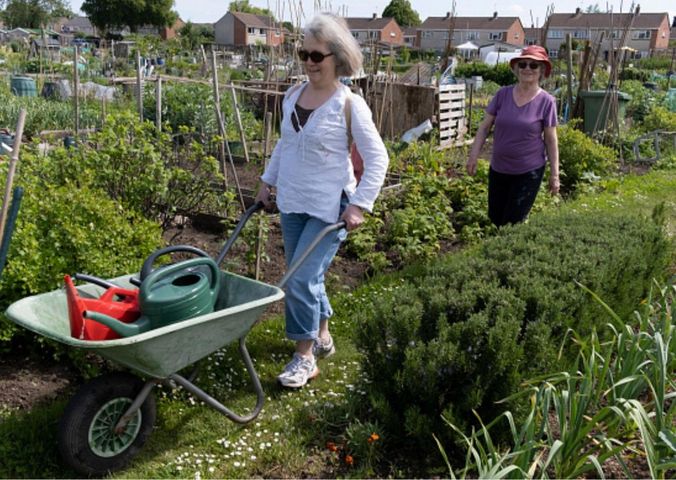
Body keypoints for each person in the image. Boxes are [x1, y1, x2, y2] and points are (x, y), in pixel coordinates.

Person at [255, 13, 389, 388]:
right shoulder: (292, 95)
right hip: (293, 201)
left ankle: (304, 356)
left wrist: (360, 204)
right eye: (304, 54)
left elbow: (378, 158)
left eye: (317, 56)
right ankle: (323, 334)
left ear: (337, 58)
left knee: (298, 279)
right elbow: (286, 143)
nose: (310, 63)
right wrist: (267, 181)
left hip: (330, 206)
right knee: (307, 276)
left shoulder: (349, 104)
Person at [466, 45, 560, 227]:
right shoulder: (503, 94)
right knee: (495, 217)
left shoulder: (546, 101)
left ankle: (512, 252)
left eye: (533, 65)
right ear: (516, 69)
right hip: (499, 168)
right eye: (523, 64)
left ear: (541, 71)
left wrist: (554, 175)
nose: (527, 69)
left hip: (528, 171)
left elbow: (551, 139)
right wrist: (473, 156)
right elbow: (484, 127)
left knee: (513, 221)